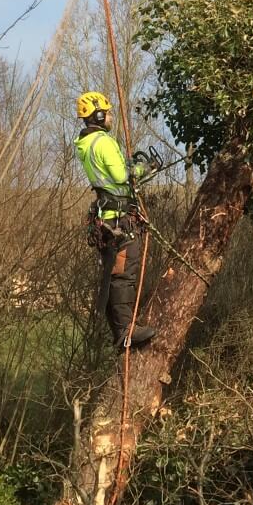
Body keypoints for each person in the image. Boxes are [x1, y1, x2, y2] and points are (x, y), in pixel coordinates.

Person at [74, 91, 156, 349]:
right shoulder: (104, 141)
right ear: (98, 114)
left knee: (112, 273)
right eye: (107, 112)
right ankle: (125, 330)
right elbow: (121, 176)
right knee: (124, 273)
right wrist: (144, 168)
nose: (110, 116)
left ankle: (119, 330)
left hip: (107, 216)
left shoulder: (85, 144)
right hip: (119, 218)